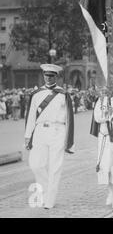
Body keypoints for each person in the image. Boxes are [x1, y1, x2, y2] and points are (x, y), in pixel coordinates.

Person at [24, 64, 74, 209]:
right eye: (46, 75)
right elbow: (31, 117)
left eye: (51, 76)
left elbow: (69, 118)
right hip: (40, 131)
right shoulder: (36, 94)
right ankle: (45, 190)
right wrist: (28, 136)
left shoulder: (63, 94)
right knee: (36, 164)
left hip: (58, 131)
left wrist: (68, 140)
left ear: (56, 77)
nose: (48, 78)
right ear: (43, 76)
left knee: (55, 167)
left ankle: (49, 199)